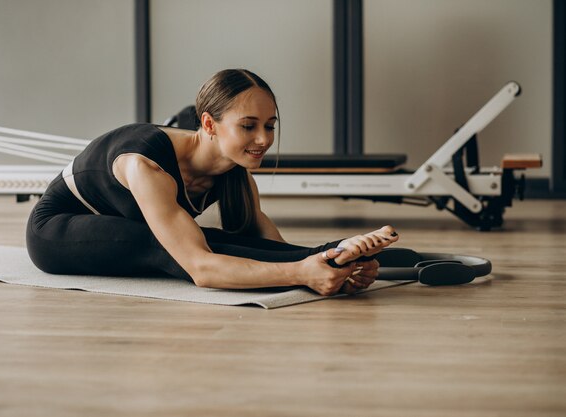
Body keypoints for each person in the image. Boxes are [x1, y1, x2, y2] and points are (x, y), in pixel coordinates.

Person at [26, 69, 399, 296]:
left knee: (208, 239)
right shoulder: (145, 164)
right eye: (248, 126)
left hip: (120, 225)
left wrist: (331, 260)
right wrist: (302, 272)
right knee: (166, 247)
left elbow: (265, 243)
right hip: (56, 231)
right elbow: (201, 269)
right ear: (208, 124)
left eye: (269, 126)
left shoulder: (233, 167)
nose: (263, 140)